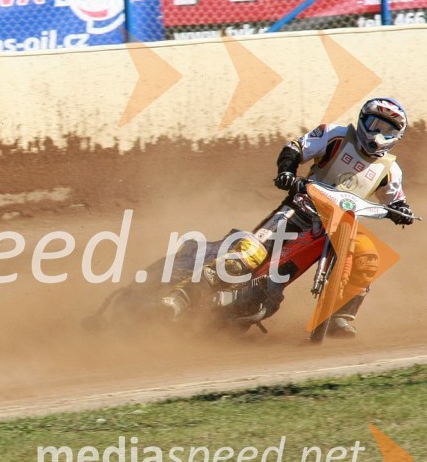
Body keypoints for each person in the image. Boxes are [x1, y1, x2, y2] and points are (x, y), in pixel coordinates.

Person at [164, 98, 414, 337]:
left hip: (341, 226)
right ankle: (182, 296)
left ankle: (340, 318)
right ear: (362, 120)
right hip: (302, 207)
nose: (378, 133)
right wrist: (287, 171)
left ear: (397, 136)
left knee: (367, 258)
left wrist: (402, 211)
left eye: (387, 129)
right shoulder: (335, 135)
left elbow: (395, 200)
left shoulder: (390, 170)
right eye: (374, 124)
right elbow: (295, 148)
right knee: (249, 255)